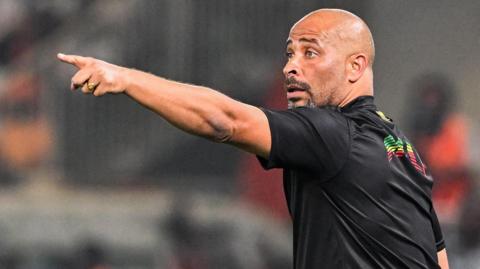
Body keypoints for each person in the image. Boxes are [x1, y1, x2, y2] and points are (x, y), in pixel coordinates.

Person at [57, 8, 449, 269]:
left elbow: (225, 120)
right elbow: (437, 254)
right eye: (289, 53)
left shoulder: (333, 134)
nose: (291, 67)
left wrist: (125, 78)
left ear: (355, 66)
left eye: (309, 53)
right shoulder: (400, 147)